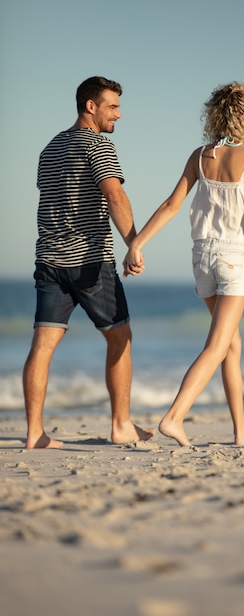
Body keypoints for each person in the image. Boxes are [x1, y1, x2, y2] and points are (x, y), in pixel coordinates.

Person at [124, 82, 244, 447]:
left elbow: (171, 205)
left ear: (215, 114)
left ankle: (241, 431)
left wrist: (138, 243)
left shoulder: (199, 156)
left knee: (231, 345)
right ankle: (174, 418)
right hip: (235, 259)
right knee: (216, 346)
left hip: (202, 257)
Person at [23, 76, 155, 449]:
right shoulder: (98, 145)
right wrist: (135, 243)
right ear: (90, 106)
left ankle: (35, 433)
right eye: (112, 106)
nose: (119, 114)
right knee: (121, 338)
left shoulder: (49, 148)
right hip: (91, 262)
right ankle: (121, 425)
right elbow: (115, 196)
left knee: (42, 346)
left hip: (49, 260)